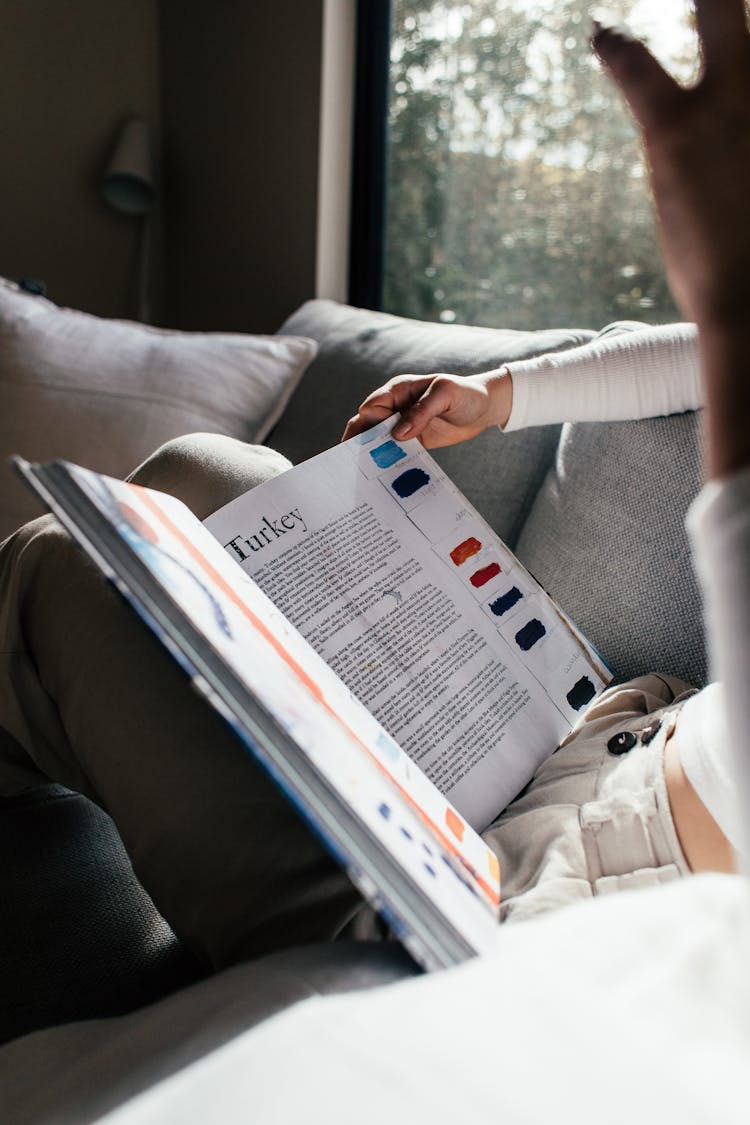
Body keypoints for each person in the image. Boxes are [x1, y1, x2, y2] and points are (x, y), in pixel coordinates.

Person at [0, 1, 748, 969]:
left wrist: (730, 291)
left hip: (534, 917)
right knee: (207, 474)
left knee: (61, 570)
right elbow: (707, 359)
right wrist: (497, 397)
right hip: (599, 734)